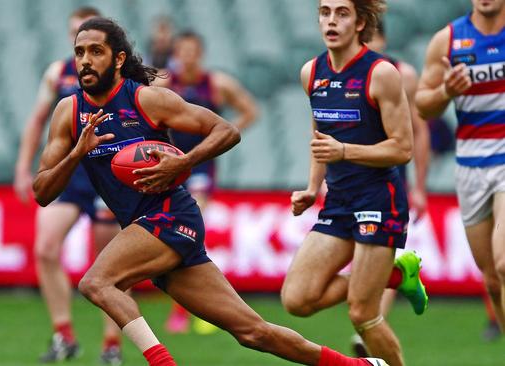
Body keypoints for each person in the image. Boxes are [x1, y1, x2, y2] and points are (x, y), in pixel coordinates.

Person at [33, 16, 388, 366]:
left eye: (96, 51)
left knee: (96, 282)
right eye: (79, 52)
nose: (85, 61)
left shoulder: (146, 100)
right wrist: (76, 154)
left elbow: (226, 130)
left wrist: (183, 162)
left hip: (170, 216)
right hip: (146, 228)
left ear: (118, 59)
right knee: (253, 332)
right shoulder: (69, 111)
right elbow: (42, 192)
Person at [279, 1, 429, 365]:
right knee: (296, 299)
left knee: (363, 314)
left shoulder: (381, 74)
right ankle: (394, 274)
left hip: (380, 199)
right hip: (339, 202)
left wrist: (344, 150)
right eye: (325, 12)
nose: (331, 20)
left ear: (361, 22)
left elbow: (403, 148)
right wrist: (312, 188)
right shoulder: (311, 72)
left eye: (342, 13)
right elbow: (320, 138)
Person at [12, 7, 122, 364]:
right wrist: (22, 167)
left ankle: (111, 345)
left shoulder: (121, 75)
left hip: (110, 169)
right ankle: (64, 336)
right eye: (77, 36)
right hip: (70, 169)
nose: (84, 47)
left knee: (108, 264)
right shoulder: (58, 74)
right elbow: (36, 121)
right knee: (45, 247)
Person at [153, 30, 258, 335]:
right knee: (172, 231)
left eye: (192, 50)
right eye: (182, 50)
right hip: (166, 162)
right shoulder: (163, 83)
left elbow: (250, 110)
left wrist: (221, 138)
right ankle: (190, 301)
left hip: (199, 166)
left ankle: (188, 309)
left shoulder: (217, 83)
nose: (187, 56)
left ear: (200, 53)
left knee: (190, 229)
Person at [415, 0, 505, 338]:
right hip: (470, 165)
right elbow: (423, 105)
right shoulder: (448, 40)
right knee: (493, 281)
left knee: (503, 263)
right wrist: (446, 91)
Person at [351, 17, 432, 357]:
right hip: (350, 179)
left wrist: (420, 186)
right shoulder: (339, 75)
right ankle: (394, 284)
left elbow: (419, 129)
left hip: (388, 179)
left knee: (376, 254)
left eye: (374, 38)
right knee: (361, 262)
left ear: (382, 38)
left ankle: (369, 324)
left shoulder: (401, 74)